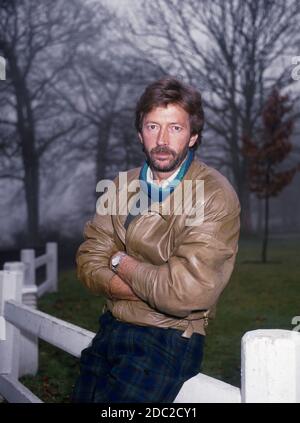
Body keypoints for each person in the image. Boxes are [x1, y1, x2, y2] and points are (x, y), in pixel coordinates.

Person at [71, 76, 241, 403]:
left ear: (193, 136)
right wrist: (156, 284)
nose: (162, 139)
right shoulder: (121, 186)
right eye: (153, 127)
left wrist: (120, 261)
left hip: (168, 338)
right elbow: (88, 262)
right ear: (140, 133)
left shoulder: (213, 196)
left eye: (175, 128)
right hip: (110, 326)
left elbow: (184, 293)